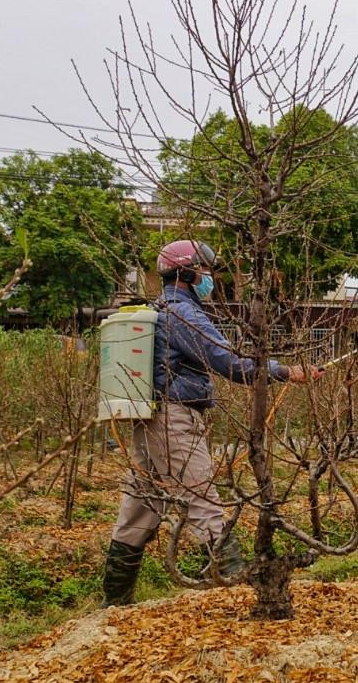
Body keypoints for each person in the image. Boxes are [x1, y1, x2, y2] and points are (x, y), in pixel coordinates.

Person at [101, 239, 318, 606]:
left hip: (152, 419)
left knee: (140, 506)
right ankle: (238, 594)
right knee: (203, 502)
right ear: (186, 273)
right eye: (205, 270)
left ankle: (114, 601)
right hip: (173, 420)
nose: (210, 278)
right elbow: (229, 362)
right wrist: (285, 371)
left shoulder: (164, 308)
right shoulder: (184, 314)